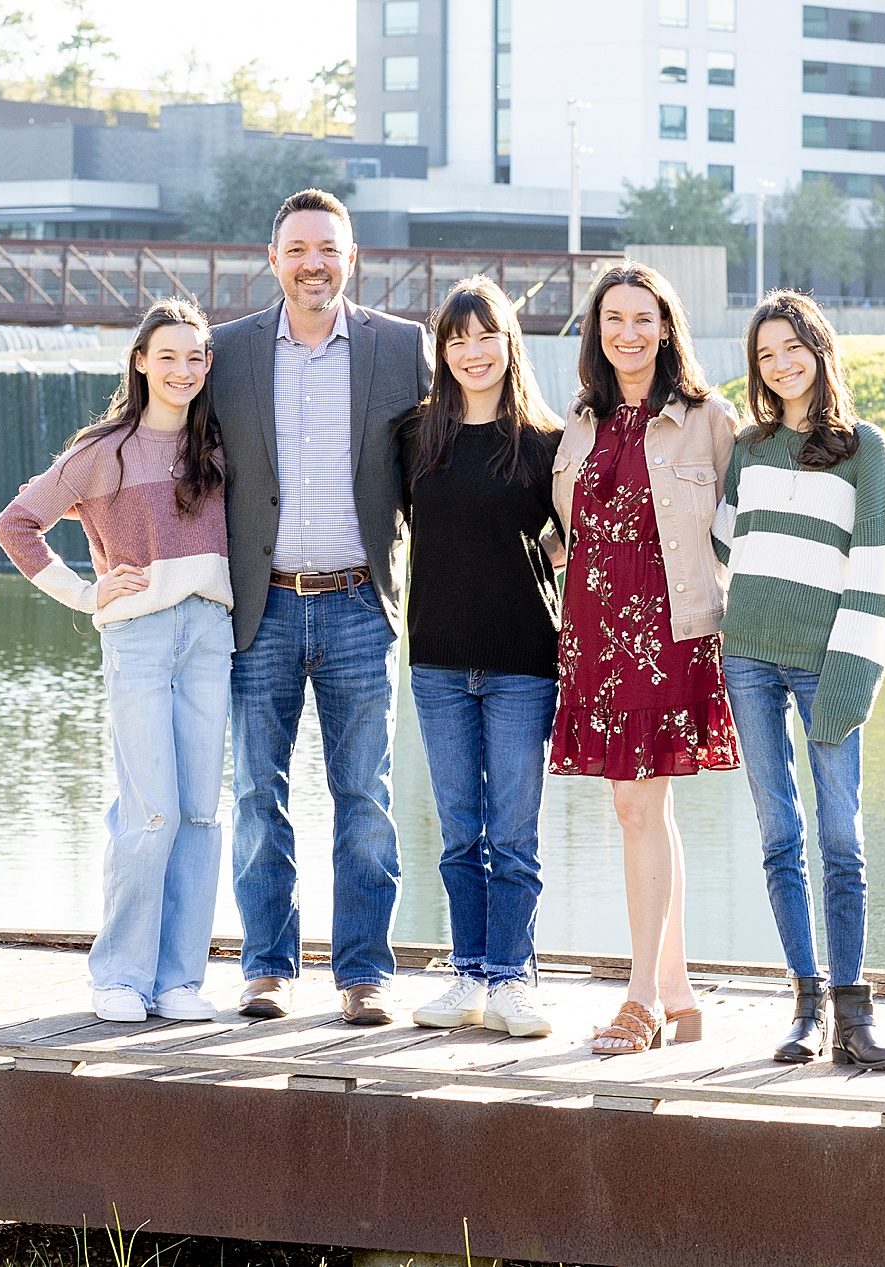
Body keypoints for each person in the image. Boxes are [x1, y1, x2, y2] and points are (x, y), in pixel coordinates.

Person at [205, 188, 433, 1027]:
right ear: (274, 261)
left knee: (364, 799)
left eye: (328, 249)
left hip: (357, 605)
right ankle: (267, 965)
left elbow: (443, 460)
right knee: (258, 796)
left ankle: (364, 971)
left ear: (351, 257)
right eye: (298, 249)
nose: (313, 264)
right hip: (257, 608)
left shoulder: (400, 347)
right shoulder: (224, 353)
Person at [0, 298, 233, 1024]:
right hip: (137, 636)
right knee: (149, 808)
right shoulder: (103, 452)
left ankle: (179, 979)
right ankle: (121, 974)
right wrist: (85, 592)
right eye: (168, 356)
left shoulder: (219, 446)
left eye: (195, 357)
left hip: (209, 635)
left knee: (198, 810)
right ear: (139, 362)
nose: (182, 369)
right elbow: (17, 524)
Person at [549, 263, 741, 1055]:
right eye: (613, 318)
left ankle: (642, 999)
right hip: (595, 635)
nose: (628, 332)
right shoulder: (583, 419)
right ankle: (678, 992)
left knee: (638, 807)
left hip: (669, 633)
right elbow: (567, 529)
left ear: (667, 328)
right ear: (596, 331)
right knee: (641, 809)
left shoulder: (708, 418)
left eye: (644, 318)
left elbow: (743, 529)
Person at [713, 291, 885, 1070]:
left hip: (829, 663)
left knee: (840, 838)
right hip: (747, 660)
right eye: (765, 354)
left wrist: (850, 681)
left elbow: (875, 576)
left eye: (792, 347)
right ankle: (804, 1004)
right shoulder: (751, 449)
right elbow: (725, 543)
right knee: (778, 834)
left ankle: (854, 1013)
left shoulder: (866, 450)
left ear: (818, 349)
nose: (780, 364)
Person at [399, 276, 565, 1039]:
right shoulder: (414, 436)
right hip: (436, 661)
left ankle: (514, 980)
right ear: (442, 349)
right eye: (457, 338)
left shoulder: (545, 443)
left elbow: (575, 547)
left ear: (509, 343)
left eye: (485, 335)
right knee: (460, 830)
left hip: (522, 662)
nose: (472, 351)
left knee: (515, 832)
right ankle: (468, 972)